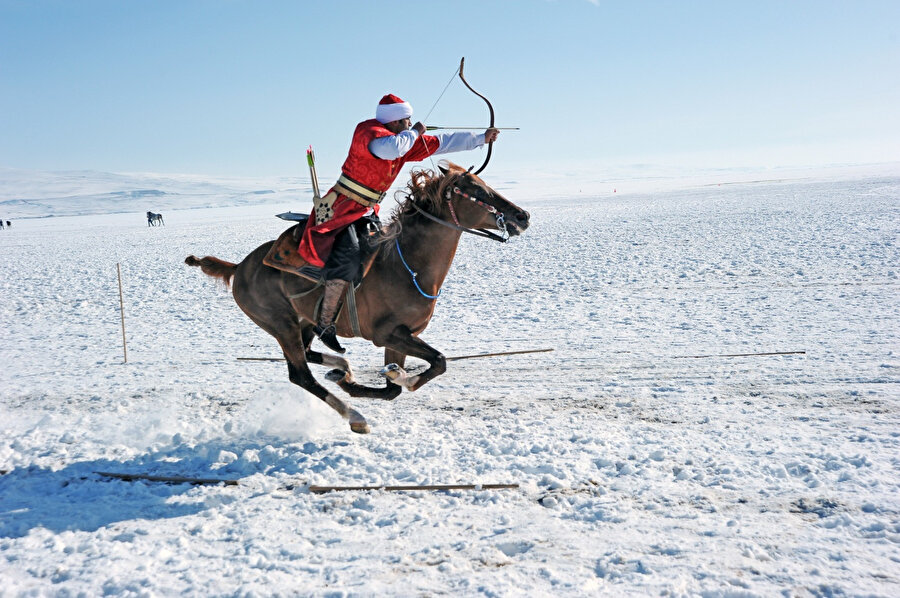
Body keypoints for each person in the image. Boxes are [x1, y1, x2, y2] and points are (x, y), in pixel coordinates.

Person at [298, 93, 499, 353]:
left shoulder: (402, 141)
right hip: (342, 208)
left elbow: (441, 142)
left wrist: (481, 138)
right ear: (395, 122)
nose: (410, 123)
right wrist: (414, 132)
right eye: (407, 120)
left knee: (380, 254)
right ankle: (325, 323)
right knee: (349, 254)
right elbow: (391, 149)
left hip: (366, 209)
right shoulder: (369, 132)